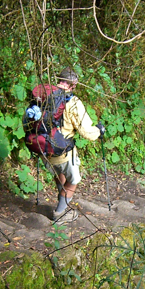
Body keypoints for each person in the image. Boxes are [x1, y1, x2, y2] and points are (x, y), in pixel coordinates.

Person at [47, 67, 103, 221]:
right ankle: (60, 214)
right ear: (73, 84)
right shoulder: (72, 102)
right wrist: (98, 131)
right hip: (63, 150)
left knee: (61, 174)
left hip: (44, 148)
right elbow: (86, 131)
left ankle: (62, 201)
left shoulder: (45, 97)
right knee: (73, 181)